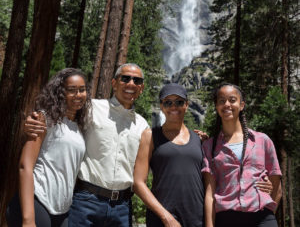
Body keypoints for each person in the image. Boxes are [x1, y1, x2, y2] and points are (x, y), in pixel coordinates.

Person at [23, 63, 149, 227]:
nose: (131, 83)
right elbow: (57, 112)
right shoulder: (90, 108)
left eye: (137, 80)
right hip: (86, 201)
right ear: (114, 83)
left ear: (141, 88)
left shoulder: (143, 126)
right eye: (125, 78)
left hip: (122, 207)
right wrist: (30, 121)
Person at [6, 68, 91, 227]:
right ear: (60, 92)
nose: (78, 95)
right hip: (37, 202)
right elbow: (25, 166)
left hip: (62, 211)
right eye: (71, 90)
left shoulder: (79, 127)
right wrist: (28, 219)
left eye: (82, 90)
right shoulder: (45, 119)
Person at [201, 83, 282, 227]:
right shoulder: (209, 146)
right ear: (216, 106)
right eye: (221, 101)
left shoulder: (262, 140)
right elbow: (210, 193)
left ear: (242, 104)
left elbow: (276, 185)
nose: (227, 104)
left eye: (232, 100)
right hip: (227, 219)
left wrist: (268, 215)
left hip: (262, 217)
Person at [133, 83, 205, 227]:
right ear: (161, 106)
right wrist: (167, 218)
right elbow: (138, 183)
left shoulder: (199, 139)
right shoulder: (150, 136)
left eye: (179, 102)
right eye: (168, 102)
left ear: (186, 105)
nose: (173, 107)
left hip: (196, 218)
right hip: (162, 219)